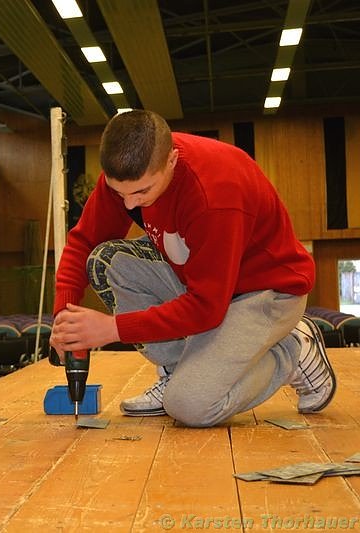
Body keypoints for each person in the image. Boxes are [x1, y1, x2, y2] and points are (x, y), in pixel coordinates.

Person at [50, 109, 336, 428]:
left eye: (142, 191)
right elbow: (83, 242)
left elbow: (206, 308)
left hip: (266, 292)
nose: (129, 204)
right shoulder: (130, 175)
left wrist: (111, 329)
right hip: (205, 285)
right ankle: (177, 372)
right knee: (105, 261)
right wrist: (65, 319)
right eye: (120, 193)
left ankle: (293, 352)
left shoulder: (215, 193)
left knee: (190, 407)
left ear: (171, 160)